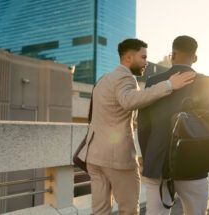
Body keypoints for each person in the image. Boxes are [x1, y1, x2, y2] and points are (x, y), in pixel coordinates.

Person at [77, 38, 196, 215]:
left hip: (94, 157)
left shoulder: (104, 79)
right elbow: (128, 100)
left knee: (100, 211)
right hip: (117, 160)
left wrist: (129, 122)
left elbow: (106, 111)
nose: (146, 63)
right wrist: (169, 84)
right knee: (129, 211)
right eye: (143, 57)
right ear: (128, 58)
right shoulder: (126, 77)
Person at [138, 35, 209, 215]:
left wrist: (149, 156)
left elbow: (143, 127)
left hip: (157, 164)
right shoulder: (206, 82)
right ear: (195, 58)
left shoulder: (154, 82)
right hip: (194, 163)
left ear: (172, 55)